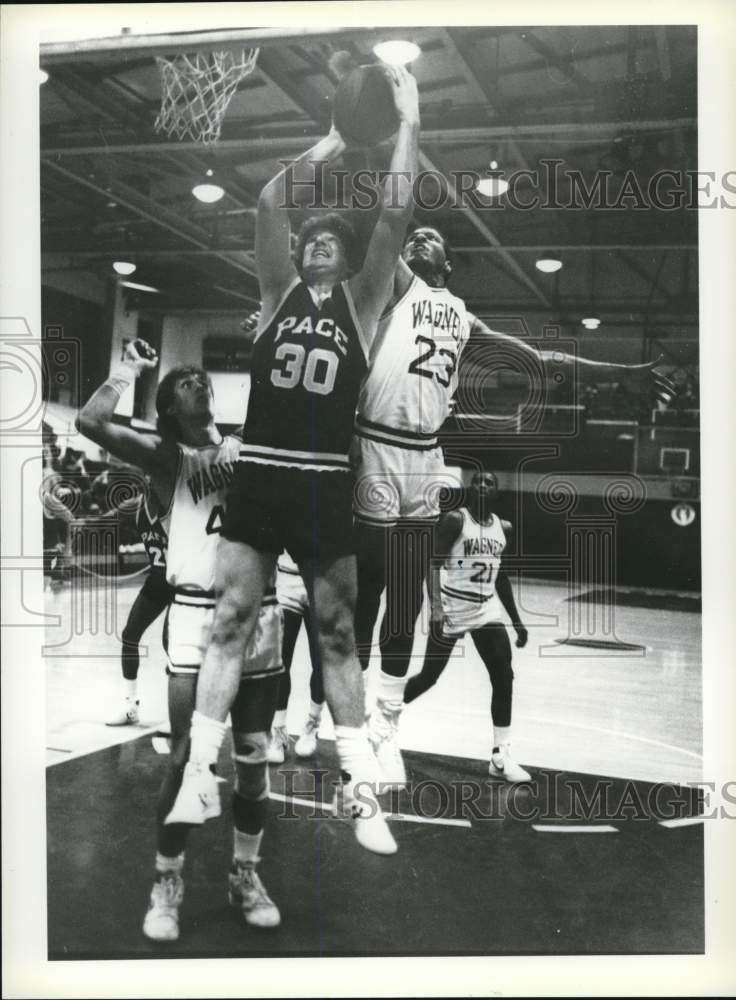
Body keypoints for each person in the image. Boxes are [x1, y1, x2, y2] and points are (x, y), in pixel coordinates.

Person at [166, 65, 420, 856]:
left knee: (340, 632)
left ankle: (359, 787)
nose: (314, 242)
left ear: (342, 257)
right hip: (265, 474)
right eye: (309, 238)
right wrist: (336, 140)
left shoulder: (364, 300)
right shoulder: (273, 294)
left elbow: (396, 215)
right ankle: (199, 772)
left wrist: (408, 121)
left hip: (322, 481)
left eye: (327, 240)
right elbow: (271, 201)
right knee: (233, 619)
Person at [354, 225, 677, 784]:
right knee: (363, 593)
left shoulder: (463, 317)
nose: (418, 239)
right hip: (372, 442)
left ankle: (383, 728)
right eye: (413, 236)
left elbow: (542, 356)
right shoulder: (396, 284)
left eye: (430, 237)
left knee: (405, 596)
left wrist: (621, 374)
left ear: (449, 265)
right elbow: (376, 228)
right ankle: (330, 716)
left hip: (424, 455)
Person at [76, 343, 283, 941]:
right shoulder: (170, 458)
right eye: (183, 381)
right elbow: (91, 422)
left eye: (201, 378)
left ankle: (246, 872)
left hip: (258, 613)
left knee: (251, 760)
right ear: (169, 407)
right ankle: (166, 880)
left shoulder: (250, 443)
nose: (196, 381)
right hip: (195, 615)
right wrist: (126, 368)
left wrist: (268, 339)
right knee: (187, 755)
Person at [403, 471, 531, 781]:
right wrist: (435, 609)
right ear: (469, 489)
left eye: (489, 482)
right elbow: (432, 564)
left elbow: (500, 575)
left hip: (486, 611)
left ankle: (501, 755)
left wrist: (517, 622)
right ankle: (382, 717)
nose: (483, 485)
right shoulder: (454, 521)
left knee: (504, 675)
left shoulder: (504, 528)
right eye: (477, 481)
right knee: (429, 677)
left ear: (496, 492)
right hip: (453, 608)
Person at [106, 488, 174, 726]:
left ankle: (182, 714)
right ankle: (130, 705)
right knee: (130, 634)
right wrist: (78, 521)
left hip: (182, 579)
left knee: (173, 644)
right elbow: (107, 519)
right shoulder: (136, 504)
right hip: (158, 578)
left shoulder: (179, 500)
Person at [267, 551, 325, 763]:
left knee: (321, 662)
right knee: (280, 659)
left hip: (322, 578)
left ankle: (313, 724)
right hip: (287, 577)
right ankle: (279, 731)